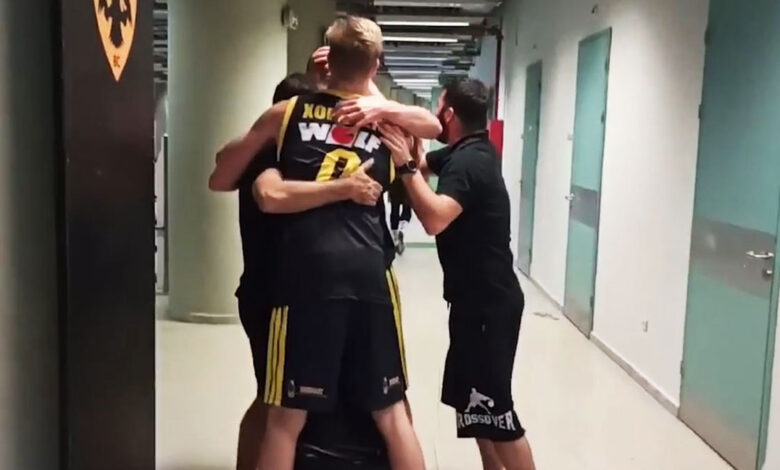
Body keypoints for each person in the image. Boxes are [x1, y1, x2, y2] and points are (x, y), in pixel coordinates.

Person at [212, 15, 440, 470]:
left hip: (307, 276)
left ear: (327, 60)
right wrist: (379, 104)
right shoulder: (387, 124)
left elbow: (222, 175)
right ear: (376, 66)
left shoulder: (286, 114)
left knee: (285, 419)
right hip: (370, 273)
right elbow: (431, 127)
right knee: (393, 413)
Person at [217, 72, 384, 470]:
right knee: (274, 401)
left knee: (282, 400)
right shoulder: (270, 158)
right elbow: (266, 193)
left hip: (296, 292)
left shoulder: (287, 155)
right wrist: (344, 188)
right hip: (272, 293)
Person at [378, 78, 537, 470]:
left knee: (497, 415)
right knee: (475, 407)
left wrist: (406, 165)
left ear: (448, 114)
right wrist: (404, 134)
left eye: (438, 109)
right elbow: (422, 167)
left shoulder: (469, 163)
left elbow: (434, 218)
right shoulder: (467, 150)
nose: (434, 115)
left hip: (488, 305)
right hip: (472, 301)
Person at [387, 178, 412, 255]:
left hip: (394, 182)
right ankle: (402, 229)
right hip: (407, 181)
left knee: (394, 209)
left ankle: (395, 239)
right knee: (407, 208)